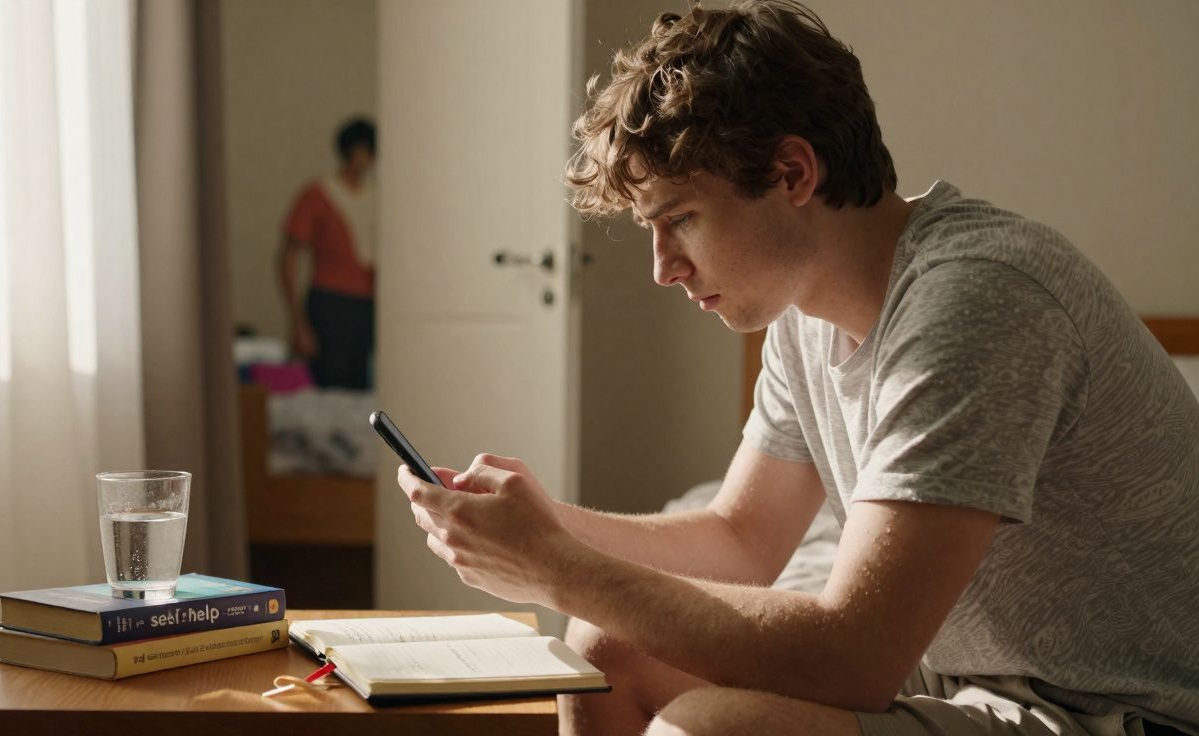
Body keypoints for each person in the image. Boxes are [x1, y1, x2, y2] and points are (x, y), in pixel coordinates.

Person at [396, 2, 1199, 735]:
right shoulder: (804, 317)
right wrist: (543, 525)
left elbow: (854, 655)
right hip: (974, 672)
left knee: (711, 729)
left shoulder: (979, 298)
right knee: (607, 648)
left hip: (1117, 711)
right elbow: (741, 538)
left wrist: (554, 569)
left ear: (792, 174)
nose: (662, 267)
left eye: (679, 219)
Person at [278, 117, 377, 389]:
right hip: (331, 302)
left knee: (363, 387)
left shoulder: (376, 197)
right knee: (332, 386)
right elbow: (288, 255)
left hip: (368, 304)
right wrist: (298, 320)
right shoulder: (319, 194)